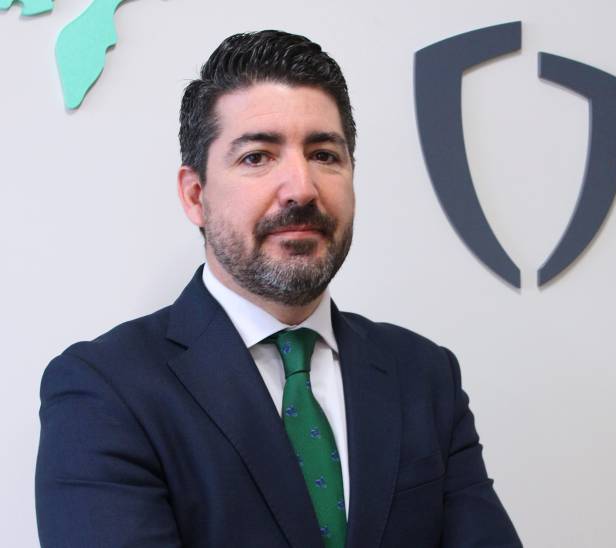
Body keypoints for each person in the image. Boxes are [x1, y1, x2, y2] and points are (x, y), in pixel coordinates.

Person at [35, 30, 522, 548]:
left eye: (324, 155)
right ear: (196, 195)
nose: (302, 189)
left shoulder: (424, 375)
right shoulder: (104, 390)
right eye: (257, 157)